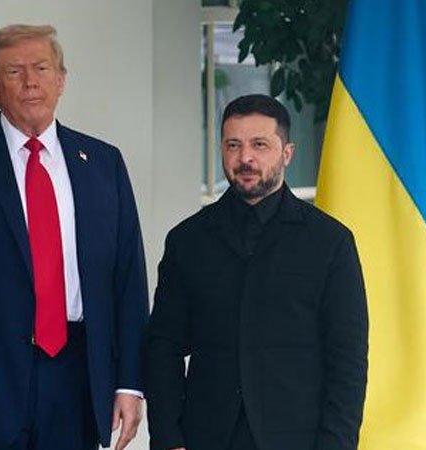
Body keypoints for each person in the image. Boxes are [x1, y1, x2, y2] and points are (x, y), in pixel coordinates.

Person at [0, 24, 149, 450]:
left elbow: (128, 282)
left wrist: (130, 383)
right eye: (14, 72)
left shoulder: (103, 164)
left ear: (61, 80)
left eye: (42, 68)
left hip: (77, 379)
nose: (31, 82)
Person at [145, 94, 368, 450]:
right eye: (233, 145)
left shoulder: (330, 243)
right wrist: (169, 439)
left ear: (287, 153)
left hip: (299, 440)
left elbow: (347, 360)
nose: (245, 157)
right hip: (205, 438)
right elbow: (163, 347)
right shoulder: (187, 241)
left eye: (259, 145)